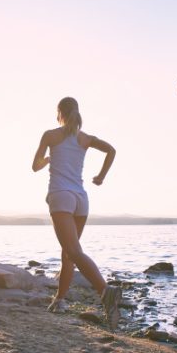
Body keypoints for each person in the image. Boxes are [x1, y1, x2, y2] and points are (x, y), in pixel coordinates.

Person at [32, 97, 122, 329]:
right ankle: (60, 300)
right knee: (69, 253)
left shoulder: (50, 135)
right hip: (81, 199)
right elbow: (111, 150)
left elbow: (35, 165)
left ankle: (106, 291)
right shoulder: (85, 139)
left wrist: (49, 159)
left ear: (59, 113)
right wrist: (101, 176)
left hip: (61, 195)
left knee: (73, 251)